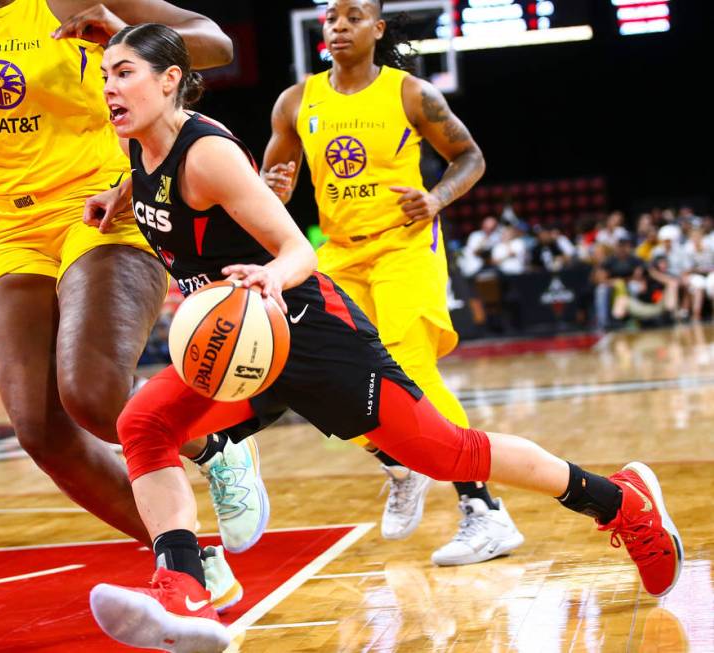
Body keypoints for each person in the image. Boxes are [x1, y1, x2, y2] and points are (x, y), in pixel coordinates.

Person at [84, 24, 682, 652]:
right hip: (242, 347)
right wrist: (116, 197)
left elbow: (295, 249)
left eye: (124, 73)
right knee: (143, 423)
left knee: (449, 454)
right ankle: (182, 585)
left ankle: (620, 502)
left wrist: (268, 278)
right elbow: (155, 188)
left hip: (309, 336)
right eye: (105, 76)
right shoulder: (140, 147)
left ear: (170, 79)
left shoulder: (208, 154)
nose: (110, 88)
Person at [0, 0, 264, 606]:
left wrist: (125, 39)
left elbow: (214, 43)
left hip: (108, 203)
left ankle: (220, 443)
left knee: (93, 394)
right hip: (12, 227)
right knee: (43, 431)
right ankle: (191, 560)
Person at [261, 0, 521, 565]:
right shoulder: (296, 102)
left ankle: (484, 510)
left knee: (411, 367)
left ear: (377, 29)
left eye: (353, 16)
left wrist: (436, 198)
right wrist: (273, 190)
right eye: (331, 17)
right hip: (339, 253)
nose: (339, 26)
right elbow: (266, 183)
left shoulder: (411, 94)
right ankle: (399, 463)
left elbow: (469, 157)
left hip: (406, 244)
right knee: (321, 373)